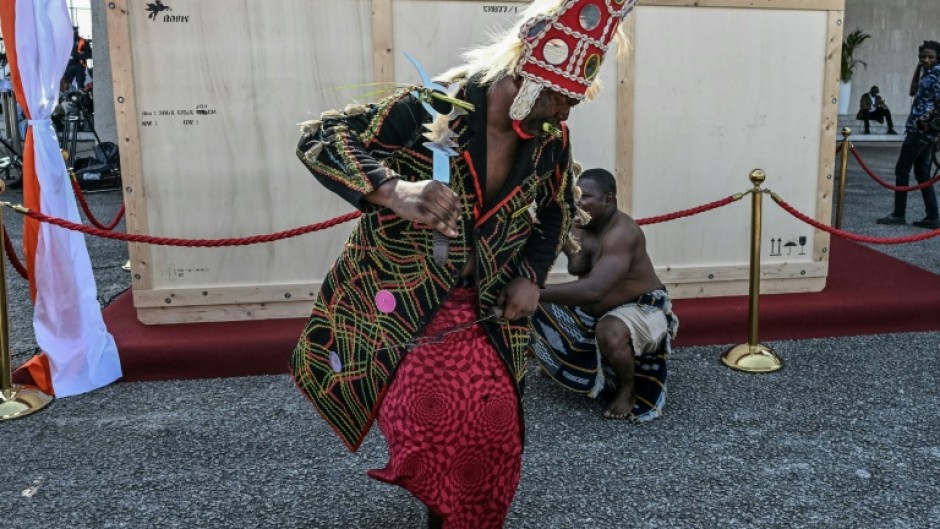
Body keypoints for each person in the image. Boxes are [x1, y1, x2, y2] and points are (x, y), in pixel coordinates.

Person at [290, 1, 636, 527]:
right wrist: (391, 189)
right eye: (560, 98)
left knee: (495, 433)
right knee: (433, 429)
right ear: (525, 79)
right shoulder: (434, 106)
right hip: (403, 305)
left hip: (488, 308)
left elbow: (554, 210)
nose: (566, 112)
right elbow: (321, 138)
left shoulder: (548, 140)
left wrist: (531, 277)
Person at [530, 168, 678, 421]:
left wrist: (533, 292)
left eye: (586, 197)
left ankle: (628, 389)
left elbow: (594, 289)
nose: (579, 202)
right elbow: (578, 267)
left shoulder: (623, 233)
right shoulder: (584, 223)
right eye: (576, 195)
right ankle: (562, 361)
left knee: (607, 330)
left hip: (642, 308)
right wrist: (564, 234)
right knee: (530, 307)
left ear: (608, 200)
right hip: (597, 306)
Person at [877, 40, 940, 230]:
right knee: (922, 174)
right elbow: (912, 91)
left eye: (930, 57)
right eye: (922, 57)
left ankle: (898, 214)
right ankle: (932, 216)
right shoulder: (927, 73)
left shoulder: (937, 73)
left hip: (922, 130)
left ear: (938, 58)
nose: (926, 60)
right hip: (920, 129)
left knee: (902, 170)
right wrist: (918, 67)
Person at [61, 26, 90, 92]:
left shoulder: (81, 42)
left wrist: (78, 55)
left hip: (83, 69)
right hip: (73, 72)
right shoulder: (65, 44)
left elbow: (89, 55)